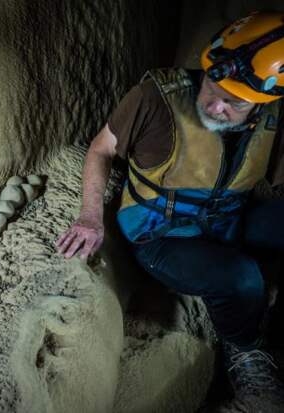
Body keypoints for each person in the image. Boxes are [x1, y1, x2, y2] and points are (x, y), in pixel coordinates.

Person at [56, 11, 284, 410]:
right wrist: (90, 217)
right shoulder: (155, 98)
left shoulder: (271, 114)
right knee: (242, 278)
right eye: (213, 85)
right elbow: (101, 148)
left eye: (235, 103)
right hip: (163, 235)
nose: (215, 105)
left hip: (229, 220)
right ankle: (245, 349)